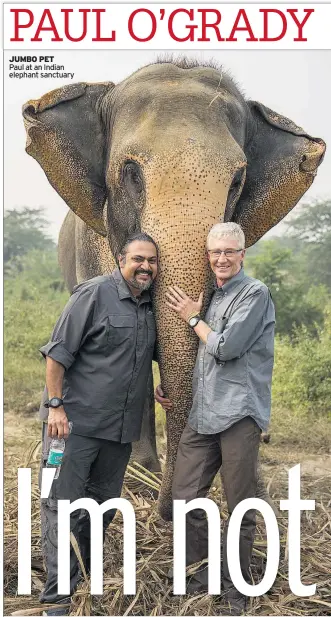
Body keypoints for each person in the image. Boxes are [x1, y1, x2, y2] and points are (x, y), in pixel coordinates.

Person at [156, 222, 275, 615]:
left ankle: (238, 585)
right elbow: (202, 355)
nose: (221, 259)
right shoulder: (213, 296)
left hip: (239, 412)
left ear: (242, 254)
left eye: (228, 252)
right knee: (184, 495)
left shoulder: (254, 294)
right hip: (203, 412)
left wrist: (192, 316)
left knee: (240, 502)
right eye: (215, 253)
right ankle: (207, 569)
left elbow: (225, 349)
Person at [38, 232, 158, 616]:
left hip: (119, 432)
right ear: (120, 258)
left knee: (101, 508)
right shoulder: (94, 294)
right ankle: (57, 597)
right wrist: (56, 407)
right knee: (60, 504)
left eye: (152, 261)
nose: (145, 266)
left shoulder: (148, 306)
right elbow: (57, 355)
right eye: (138, 258)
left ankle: (85, 582)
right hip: (71, 428)